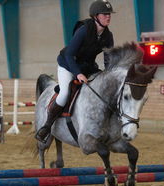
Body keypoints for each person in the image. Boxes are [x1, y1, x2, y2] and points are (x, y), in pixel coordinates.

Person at [36, 0, 115, 143]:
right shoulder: (84, 30)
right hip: (67, 64)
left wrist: (109, 75)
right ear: (96, 16)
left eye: (109, 14)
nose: (108, 17)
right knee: (65, 93)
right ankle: (47, 126)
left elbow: (108, 60)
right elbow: (69, 54)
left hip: (88, 67)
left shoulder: (108, 36)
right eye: (105, 14)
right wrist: (77, 73)